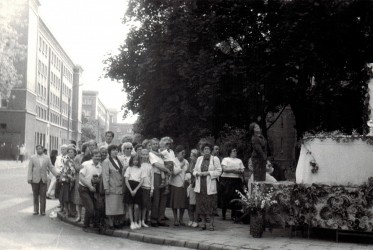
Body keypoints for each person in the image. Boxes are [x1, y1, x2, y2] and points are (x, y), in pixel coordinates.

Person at [193, 143, 222, 231]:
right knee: (201, 204)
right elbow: (194, 170)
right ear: (202, 150)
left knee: (211, 205)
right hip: (200, 184)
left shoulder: (215, 159)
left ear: (211, 150)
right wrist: (197, 173)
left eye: (208, 149)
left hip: (210, 184)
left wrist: (209, 173)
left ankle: (211, 224)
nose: (206, 151)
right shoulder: (199, 159)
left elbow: (219, 171)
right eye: (205, 149)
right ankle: (203, 224)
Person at [27, 145, 59, 215]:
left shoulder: (47, 158)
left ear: (42, 149)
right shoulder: (32, 158)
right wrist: (29, 178)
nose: (39, 150)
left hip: (43, 179)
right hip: (35, 179)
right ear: (36, 150)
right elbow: (30, 169)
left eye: (40, 149)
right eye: (37, 149)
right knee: (35, 195)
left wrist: (57, 175)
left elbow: (51, 167)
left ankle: (42, 211)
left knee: (43, 195)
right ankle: (36, 210)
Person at [102, 145, 125, 228]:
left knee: (118, 206)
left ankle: (116, 222)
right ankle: (110, 223)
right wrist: (106, 188)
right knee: (111, 205)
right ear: (109, 152)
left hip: (120, 187)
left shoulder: (120, 161)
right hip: (111, 186)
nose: (115, 152)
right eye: (113, 150)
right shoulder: (106, 161)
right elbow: (105, 176)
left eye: (116, 150)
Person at [149, 138, 170, 227]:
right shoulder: (150, 154)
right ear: (151, 145)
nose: (156, 145)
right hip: (156, 175)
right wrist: (166, 169)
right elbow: (156, 164)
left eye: (157, 144)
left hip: (164, 176)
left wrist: (167, 170)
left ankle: (161, 219)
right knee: (156, 197)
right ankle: (154, 219)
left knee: (163, 198)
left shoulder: (160, 154)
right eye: (154, 144)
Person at [79, 150, 102, 230]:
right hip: (84, 188)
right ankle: (86, 225)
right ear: (92, 157)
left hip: (93, 189)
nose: (97, 158)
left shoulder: (100, 166)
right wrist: (89, 186)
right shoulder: (86, 164)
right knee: (90, 208)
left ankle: (87, 225)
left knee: (96, 207)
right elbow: (81, 177)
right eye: (96, 156)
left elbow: (98, 178)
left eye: (99, 156)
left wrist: (97, 181)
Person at [220, 147, 245, 221]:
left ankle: (234, 215)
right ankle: (223, 214)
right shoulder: (225, 159)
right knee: (226, 196)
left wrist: (238, 171)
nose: (235, 152)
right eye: (233, 151)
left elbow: (242, 170)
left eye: (236, 151)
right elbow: (224, 169)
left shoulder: (239, 160)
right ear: (230, 152)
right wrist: (234, 170)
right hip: (227, 180)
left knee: (236, 197)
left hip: (236, 180)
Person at [170, 145, 189, 226]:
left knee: (183, 204)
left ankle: (181, 219)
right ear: (177, 153)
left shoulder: (186, 162)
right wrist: (181, 166)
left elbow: (187, 172)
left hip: (183, 185)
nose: (183, 154)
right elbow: (173, 172)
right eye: (182, 153)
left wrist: (187, 180)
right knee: (175, 203)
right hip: (175, 184)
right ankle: (175, 219)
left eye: (184, 153)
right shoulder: (173, 161)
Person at [124, 155, 144, 229]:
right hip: (130, 186)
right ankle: (131, 222)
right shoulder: (129, 168)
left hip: (137, 187)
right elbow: (126, 180)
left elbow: (142, 180)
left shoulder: (141, 168)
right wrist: (130, 190)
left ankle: (136, 221)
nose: (135, 161)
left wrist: (135, 190)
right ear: (131, 161)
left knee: (136, 206)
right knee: (130, 205)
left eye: (137, 160)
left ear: (139, 161)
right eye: (134, 160)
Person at [72, 143, 88, 222]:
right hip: (79, 179)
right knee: (78, 198)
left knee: (87, 199)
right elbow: (77, 168)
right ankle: (79, 216)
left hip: (88, 179)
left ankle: (85, 217)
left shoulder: (91, 156)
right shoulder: (78, 157)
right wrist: (85, 166)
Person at [59, 147, 76, 216]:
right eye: (69, 152)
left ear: (74, 153)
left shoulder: (76, 160)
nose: (70, 153)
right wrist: (70, 177)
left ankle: (72, 211)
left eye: (72, 152)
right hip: (67, 180)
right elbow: (65, 171)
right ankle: (67, 211)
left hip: (75, 180)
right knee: (66, 196)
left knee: (72, 197)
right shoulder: (66, 161)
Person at [140, 149, 153, 228]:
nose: (145, 156)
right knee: (139, 205)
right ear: (141, 155)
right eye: (143, 154)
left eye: (146, 154)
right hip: (140, 187)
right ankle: (138, 220)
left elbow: (152, 178)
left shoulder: (150, 166)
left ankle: (143, 220)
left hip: (147, 187)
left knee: (145, 206)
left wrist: (152, 189)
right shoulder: (139, 165)